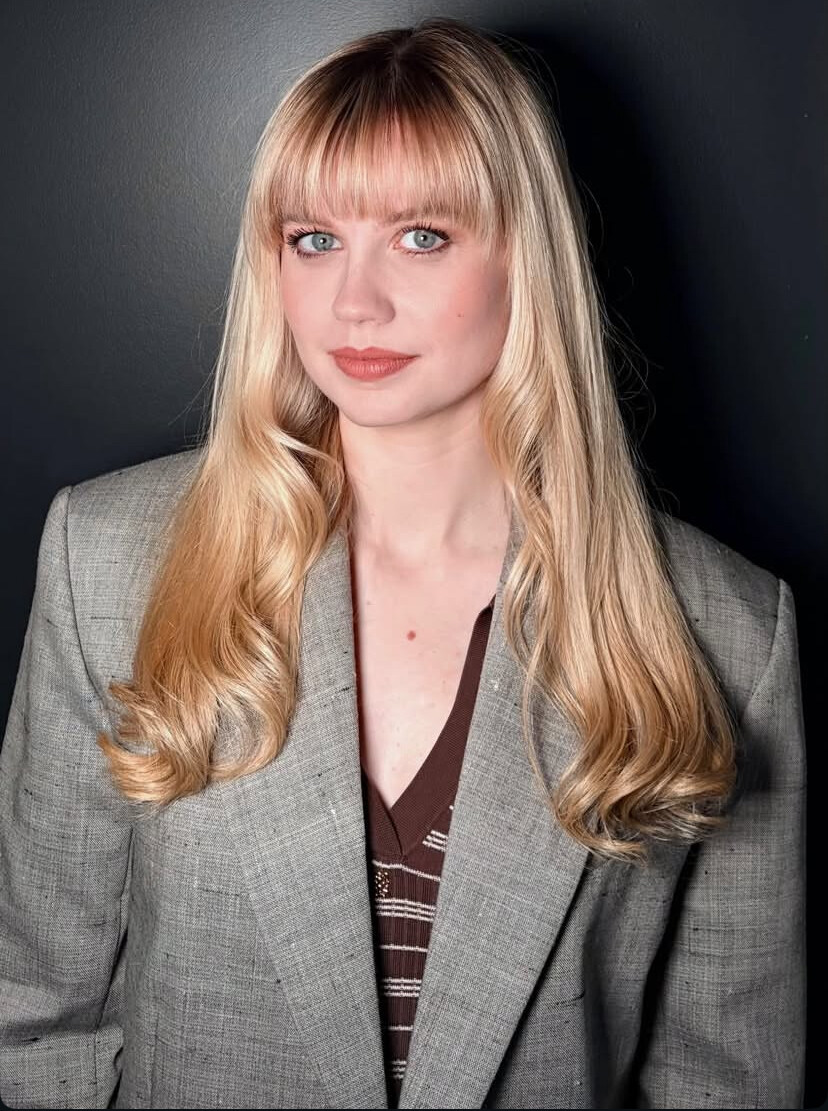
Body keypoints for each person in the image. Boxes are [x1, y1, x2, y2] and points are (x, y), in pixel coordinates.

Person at [0, 15, 806, 1111]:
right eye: (313, 239)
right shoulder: (106, 564)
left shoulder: (728, 632)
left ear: (526, 254)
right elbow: (37, 1017)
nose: (355, 302)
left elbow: (728, 1079)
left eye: (422, 235)